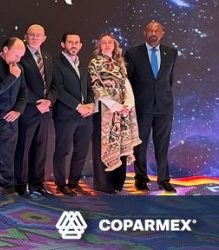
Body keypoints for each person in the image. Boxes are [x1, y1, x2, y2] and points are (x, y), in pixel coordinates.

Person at [126, 21, 178, 193]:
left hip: (164, 106)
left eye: (156, 30)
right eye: (150, 30)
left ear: (162, 33)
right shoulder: (133, 53)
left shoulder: (171, 53)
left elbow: (169, 80)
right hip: (141, 106)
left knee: (162, 144)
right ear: (144, 33)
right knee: (139, 144)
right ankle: (141, 178)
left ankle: (163, 179)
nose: (153, 33)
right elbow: (129, 82)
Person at [89, 32, 140, 194]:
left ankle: (117, 182)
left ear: (114, 46)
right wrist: (114, 105)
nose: (107, 45)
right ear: (99, 46)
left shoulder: (119, 63)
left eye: (110, 42)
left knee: (120, 144)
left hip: (122, 112)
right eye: (103, 42)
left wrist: (127, 105)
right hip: (105, 110)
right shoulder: (95, 63)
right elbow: (96, 86)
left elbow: (126, 85)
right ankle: (104, 184)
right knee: (103, 146)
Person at [15, 24, 56, 198]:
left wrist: (49, 101)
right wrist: (35, 102)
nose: (34, 37)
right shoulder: (20, 55)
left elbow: (54, 84)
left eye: (38, 35)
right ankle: (20, 185)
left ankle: (37, 185)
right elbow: (20, 85)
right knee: (23, 149)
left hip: (45, 111)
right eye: (31, 34)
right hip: (28, 110)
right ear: (26, 37)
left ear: (44, 38)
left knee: (41, 150)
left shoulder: (47, 56)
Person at [50, 33, 94, 196]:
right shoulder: (56, 63)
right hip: (66, 115)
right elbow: (58, 89)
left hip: (85, 116)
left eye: (76, 42)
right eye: (70, 42)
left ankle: (74, 183)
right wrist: (78, 106)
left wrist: (91, 104)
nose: (74, 45)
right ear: (63, 44)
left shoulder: (82, 65)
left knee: (81, 151)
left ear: (80, 45)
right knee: (62, 150)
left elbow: (89, 88)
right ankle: (61, 184)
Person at [0, 37, 26, 196]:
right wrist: (12, 77)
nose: (18, 59)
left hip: (11, 120)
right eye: (16, 55)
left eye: (21, 56)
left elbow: (23, 92)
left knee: (8, 157)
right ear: (5, 50)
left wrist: (18, 111)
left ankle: (8, 188)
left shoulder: (18, 68)